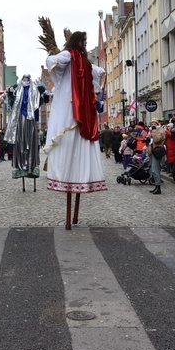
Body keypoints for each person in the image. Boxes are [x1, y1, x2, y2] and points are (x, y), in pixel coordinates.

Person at [43, 31, 107, 229]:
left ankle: (74, 178)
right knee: (74, 145)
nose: (84, 44)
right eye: (83, 41)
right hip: (77, 111)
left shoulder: (80, 60)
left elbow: (52, 61)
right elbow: (100, 70)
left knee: (75, 146)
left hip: (77, 112)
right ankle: (75, 179)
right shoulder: (74, 57)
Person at [4, 74, 43, 181]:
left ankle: (32, 165)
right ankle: (20, 165)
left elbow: (39, 102)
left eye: (27, 79)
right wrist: (10, 93)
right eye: (24, 79)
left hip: (30, 119)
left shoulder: (34, 90)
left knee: (31, 141)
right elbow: (12, 102)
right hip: (20, 117)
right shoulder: (18, 90)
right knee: (20, 141)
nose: (26, 81)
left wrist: (42, 91)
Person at [146, 123, 166, 195]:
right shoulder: (151, 131)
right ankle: (156, 186)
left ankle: (158, 187)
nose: (152, 125)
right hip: (152, 151)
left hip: (157, 151)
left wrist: (153, 131)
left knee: (155, 170)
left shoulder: (160, 130)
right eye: (151, 123)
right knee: (152, 169)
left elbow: (157, 139)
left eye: (154, 123)